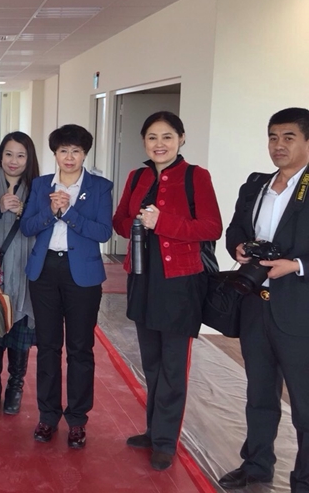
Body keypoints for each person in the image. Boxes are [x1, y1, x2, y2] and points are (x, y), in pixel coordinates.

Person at [112, 111, 222, 471]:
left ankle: (165, 441)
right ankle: (153, 429)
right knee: (152, 361)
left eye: (167, 137)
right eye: (152, 137)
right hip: (142, 276)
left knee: (173, 365)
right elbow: (119, 222)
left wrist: (162, 222)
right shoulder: (137, 176)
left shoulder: (196, 176)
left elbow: (212, 227)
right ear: (144, 142)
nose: (159, 144)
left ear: (181, 139)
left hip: (180, 281)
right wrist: (137, 223)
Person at [219, 107, 309, 491]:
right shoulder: (256, 184)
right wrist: (238, 247)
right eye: (273, 137)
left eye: (288, 137)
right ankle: (256, 466)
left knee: (304, 403)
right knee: (259, 394)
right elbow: (235, 229)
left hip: (299, 310)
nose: (278, 145)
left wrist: (297, 265)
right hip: (256, 303)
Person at [20, 125, 112, 449]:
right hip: (45, 271)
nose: (69, 157)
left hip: (82, 275)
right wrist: (50, 212)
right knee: (47, 347)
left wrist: (69, 213)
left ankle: (77, 420)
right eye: (63, 151)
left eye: (75, 151)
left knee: (80, 348)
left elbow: (103, 232)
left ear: (84, 154)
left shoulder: (100, 187)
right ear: (55, 154)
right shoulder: (41, 185)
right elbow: (27, 226)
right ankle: (47, 416)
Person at [0, 131, 40, 416]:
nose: (13, 161)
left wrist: (23, 213)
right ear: (0, 155)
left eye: (20, 155)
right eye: (8, 154)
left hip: (25, 272)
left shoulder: (39, 189)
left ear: (29, 159)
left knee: (21, 327)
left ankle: (15, 385)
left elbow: (44, 225)